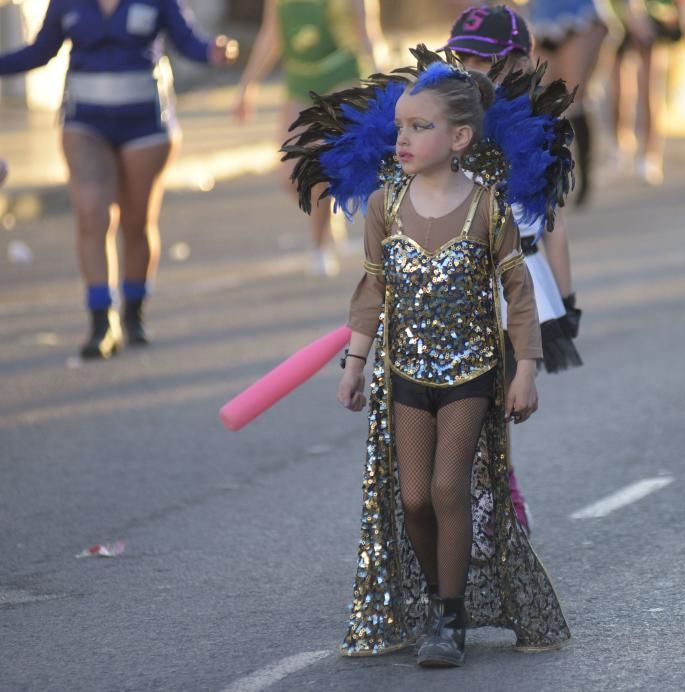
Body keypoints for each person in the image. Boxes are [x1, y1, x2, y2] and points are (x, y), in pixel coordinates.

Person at [284, 47, 573, 666]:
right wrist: (355, 364)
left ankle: (450, 619)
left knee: (449, 488)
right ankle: (437, 594)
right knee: (413, 497)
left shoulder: (486, 207)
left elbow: (517, 296)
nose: (404, 140)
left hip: (472, 374)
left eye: (421, 127)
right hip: (405, 375)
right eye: (400, 129)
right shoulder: (387, 208)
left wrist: (525, 371)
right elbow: (372, 292)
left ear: (461, 136)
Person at [0, 0, 237, 359]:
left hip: (145, 124)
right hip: (85, 124)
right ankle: (101, 322)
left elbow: (188, 42)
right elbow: (40, 51)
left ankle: (134, 312)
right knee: (93, 214)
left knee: (136, 221)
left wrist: (214, 51)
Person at [442, 4, 584, 534]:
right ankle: (486, 512)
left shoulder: (542, 125)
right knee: (454, 415)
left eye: (484, 58)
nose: (470, 67)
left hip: (516, 284)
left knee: (483, 414)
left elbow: (554, 226)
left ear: (517, 60)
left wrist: (566, 303)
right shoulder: (445, 119)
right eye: (461, 55)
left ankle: (505, 514)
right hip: (451, 284)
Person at [233, 0, 383, 277]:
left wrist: (382, 86)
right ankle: (327, 214)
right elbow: (272, 35)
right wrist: (247, 86)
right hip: (300, 81)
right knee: (291, 175)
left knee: (320, 155)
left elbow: (367, 33)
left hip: (341, 73)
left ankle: (320, 246)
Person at [523, 0, 612, 205]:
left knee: (575, 96)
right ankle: (546, 177)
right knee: (541, 101)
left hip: (580, 17)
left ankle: (585, 175)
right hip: (540, 20)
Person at [608, 0, 683, 183]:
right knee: (619, 91)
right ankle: (621, 144)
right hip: (617, 18)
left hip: (655, 16)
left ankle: (650, 155)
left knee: (650, 91)